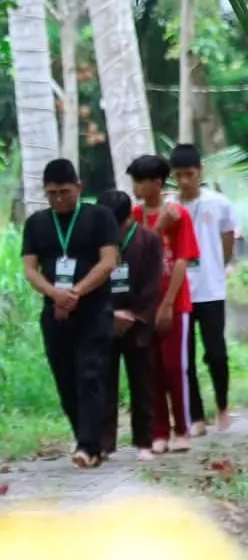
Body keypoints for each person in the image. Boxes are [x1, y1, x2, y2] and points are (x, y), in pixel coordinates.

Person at [21, 159, 118, 468]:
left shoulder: (99, 217)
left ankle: (88, 446)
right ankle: (86, 441)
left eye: (65, 191)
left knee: (90, 374)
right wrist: (55, 295)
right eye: (52, 193)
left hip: (94, 309)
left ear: (79, 187)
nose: (59, 198)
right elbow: (30, 269)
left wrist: (76, 292)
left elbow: (108, 262)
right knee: (65, 379)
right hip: (55, 312)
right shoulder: (36, 223)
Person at [127, 154, 201, 454]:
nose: (136, 187)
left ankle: (182, 428)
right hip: (144, 304)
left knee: (174, 367)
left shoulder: (178, 215)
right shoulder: (132, 216)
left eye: (140, 182)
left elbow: (182, 260)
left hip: (174, 302)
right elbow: (135, 254)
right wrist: (158, 229)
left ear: (156, 183)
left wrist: (169, 303)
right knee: (151, 368)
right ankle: (159, 431)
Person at [169, 143, 237, 433]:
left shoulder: (217, 202)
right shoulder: (170, 207)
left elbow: (227, 238)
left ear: (200, 171)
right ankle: (195, 416)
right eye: (180, 175)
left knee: (217, 353)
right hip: (180, 290)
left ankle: (222, 406)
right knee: (184, 356)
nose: (185, 180)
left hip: (210, 288)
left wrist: (217, 267)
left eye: (190, 174)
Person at [95, 190, 163, 462]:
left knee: (142, 383)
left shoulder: (149, 240)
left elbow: (153, 283)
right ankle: (105, 442)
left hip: (138, 324)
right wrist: (109, 314)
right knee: (104, 383)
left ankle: (144, 441)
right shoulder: (96, 243)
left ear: (126, 219)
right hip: (104, 321)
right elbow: (93, 280)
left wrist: (133, 315)